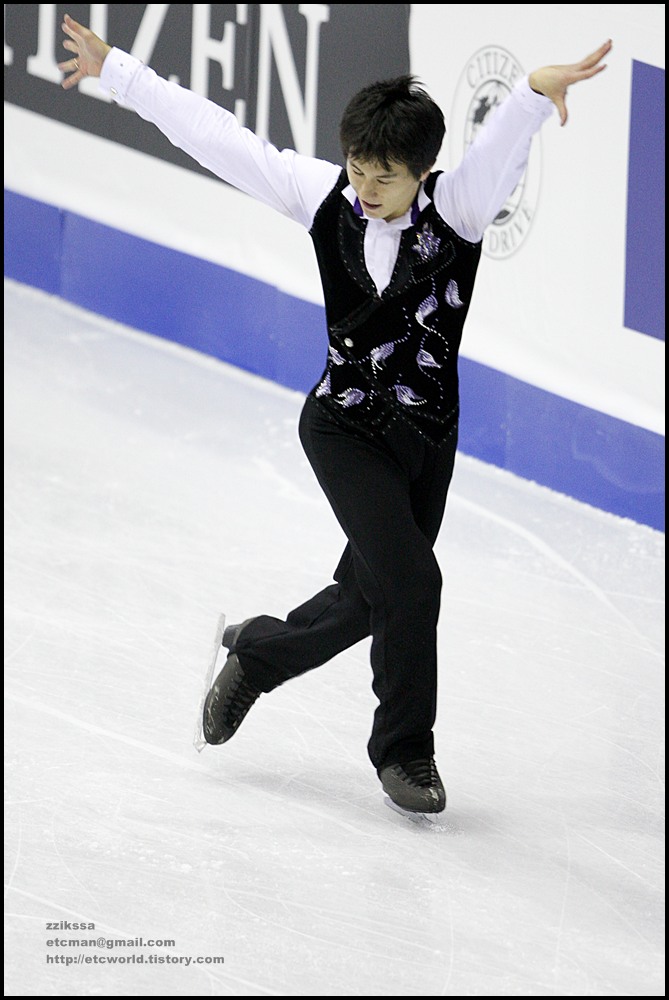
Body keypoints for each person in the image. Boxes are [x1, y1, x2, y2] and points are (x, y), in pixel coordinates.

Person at [59, 14, 612, 815]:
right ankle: (404, 756)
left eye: (383, 176)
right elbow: (220, 138)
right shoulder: (323, 196)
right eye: (357, 166)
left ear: (422, 173)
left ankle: (259, 654)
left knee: (373, 594)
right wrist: (122, 73)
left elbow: (503, 144)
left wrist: (530, 94)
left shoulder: (457, 211)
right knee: (413, 583)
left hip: (425, 440)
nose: (364, 186)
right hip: (342, 429)